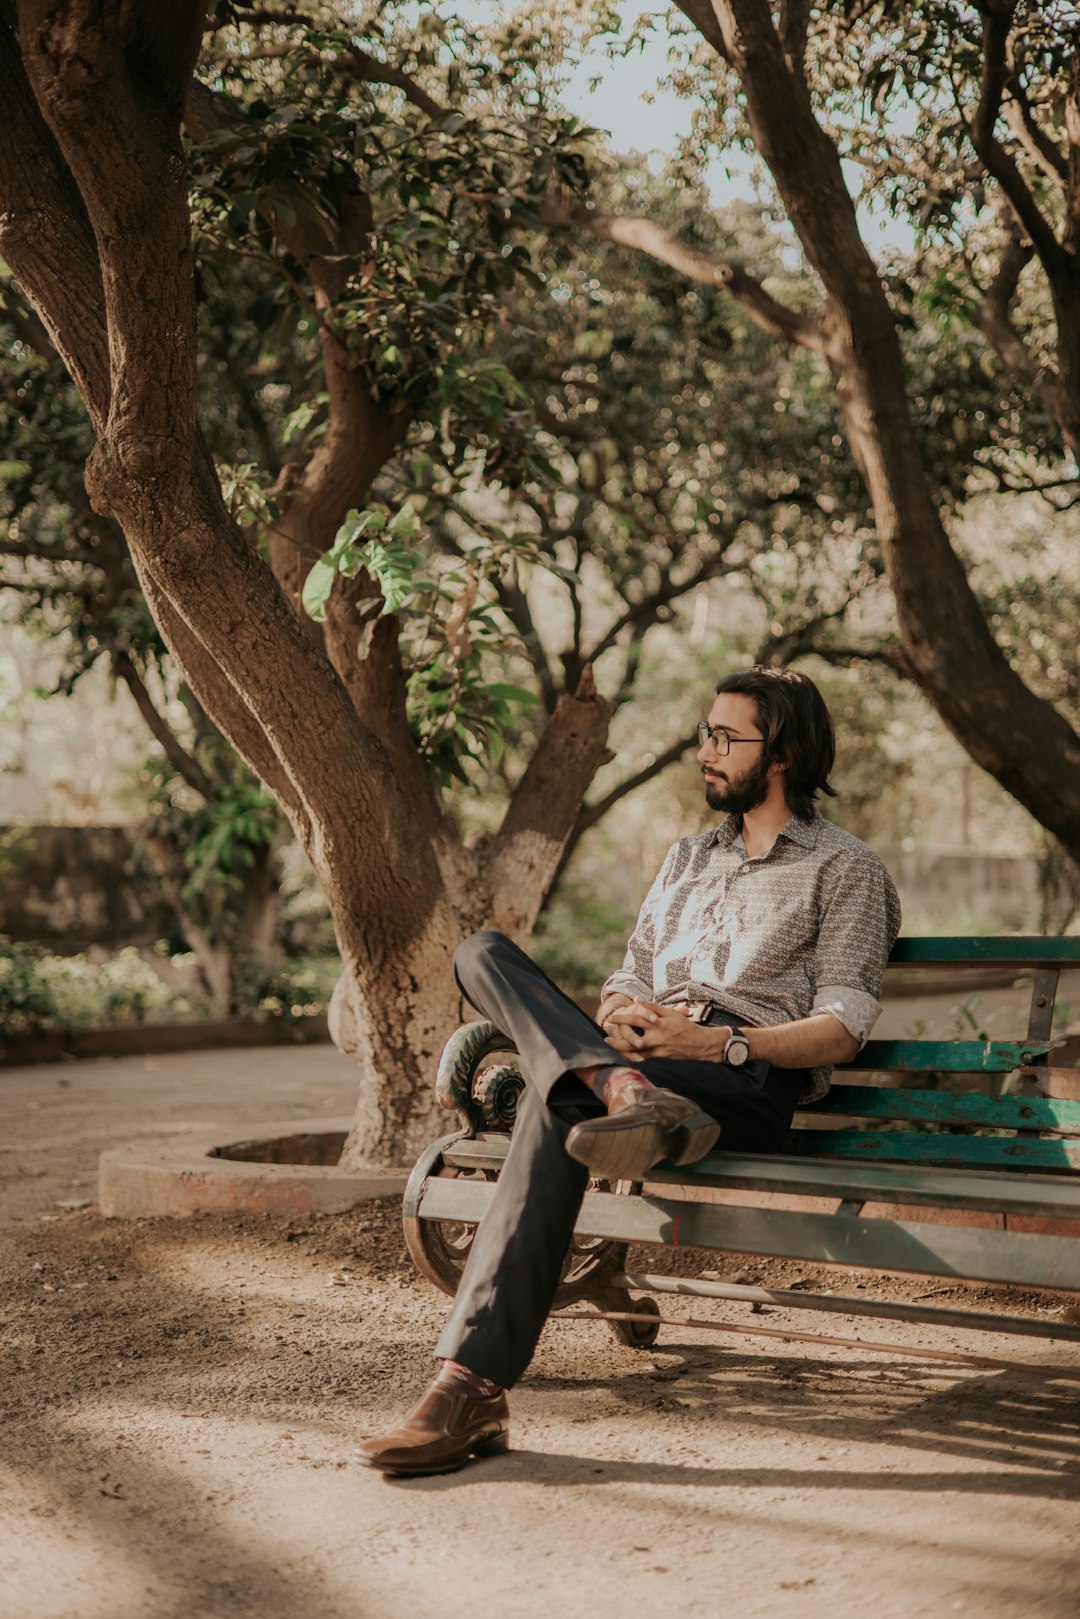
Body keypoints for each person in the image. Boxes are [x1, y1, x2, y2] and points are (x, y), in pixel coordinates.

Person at [359, 666, 901, 1476]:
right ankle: (620, 1088)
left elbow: (843, 1027)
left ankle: (466, 1387)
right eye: (704, 734)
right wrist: (619, 1016)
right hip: (646, 1066)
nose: (703, 752)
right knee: (481, 953)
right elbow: (631, 972)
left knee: (555, 1099)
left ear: (780, 751)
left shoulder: (843, 867)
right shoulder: (688, 856)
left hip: (740, 1075)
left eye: (725, 738)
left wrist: (714, 1045)